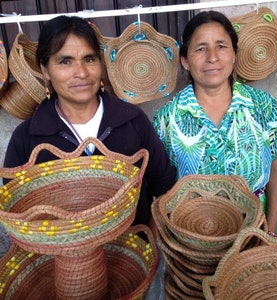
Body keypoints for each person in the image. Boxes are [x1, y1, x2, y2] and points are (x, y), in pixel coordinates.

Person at [2, 15, 177, 226]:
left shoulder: (132, 121)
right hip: (62, 258)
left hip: (133, 254)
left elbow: (163, 186)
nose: (82, 73)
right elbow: (16, 211)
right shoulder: (27, 138)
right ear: (45, 70)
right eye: (65, 61)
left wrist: (148, 243)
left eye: (89, 59)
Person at [153, 10, 277, 237]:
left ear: (234, 54)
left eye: (221, 46)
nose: (212, 57)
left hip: (256, 231)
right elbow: (161, 189)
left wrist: (270, 230)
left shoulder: (262, 106)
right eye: (200, 48)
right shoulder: (167, 118)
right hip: (194, 237)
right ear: (185, 61)